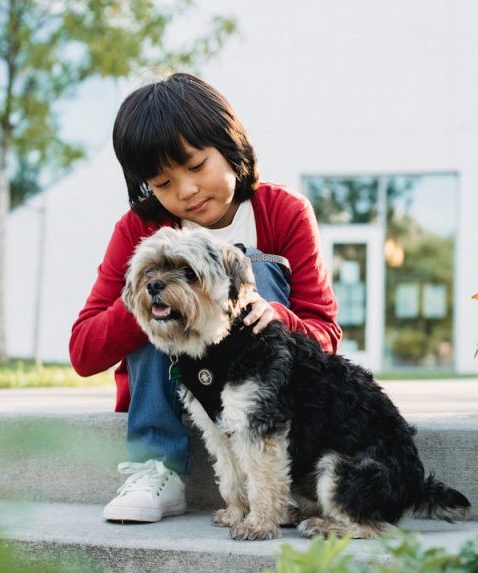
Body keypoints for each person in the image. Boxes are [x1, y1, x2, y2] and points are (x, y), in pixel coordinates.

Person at [69, 73, 341, 522]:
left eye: (196, 167)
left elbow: (325, 334)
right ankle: (156, 465)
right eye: (162, 183)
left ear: (230, 146)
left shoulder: (283, 212)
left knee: (251, 267)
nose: (186, 191)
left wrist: (276, 316)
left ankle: (273, 476)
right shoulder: (140, 229)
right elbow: (83, 352)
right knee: (156, 295)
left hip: (264, 405)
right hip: (175, 396)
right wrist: (151, 293)